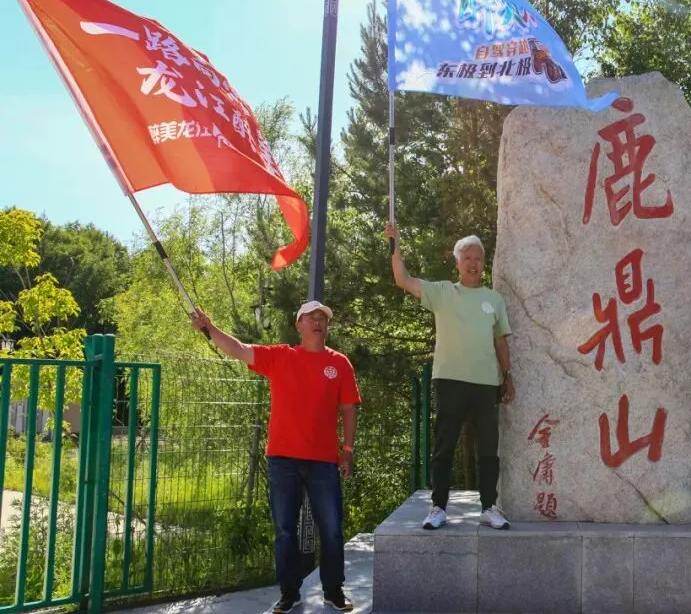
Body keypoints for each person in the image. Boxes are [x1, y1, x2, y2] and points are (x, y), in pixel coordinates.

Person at [189, 301, 360, 613]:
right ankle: (289, 592)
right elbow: (239, 349)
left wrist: (347, 450)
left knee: (332, 528)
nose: (319, 322)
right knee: (284, 529)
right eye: (312, 317)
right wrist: (209, 328)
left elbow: (349, 408)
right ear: (299, 325)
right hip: (282, 459)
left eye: (323, 318)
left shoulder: (340, 363)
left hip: (324, 461)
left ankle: (333, 590)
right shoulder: (281, 356)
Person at [384, 221, 514, 530]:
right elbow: (402, 279)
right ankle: (438, 507)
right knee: (444, 447)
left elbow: (500, 341)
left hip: (486, 385)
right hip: (449, 381)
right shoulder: (443, 292)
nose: (473, 263)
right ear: (457, 262)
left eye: (478, 258)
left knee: (488, 450)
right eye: (467, 257)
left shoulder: (494, 300)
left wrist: (507, 377)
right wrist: (395, 244)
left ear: (484, 262)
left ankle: (488, 507)